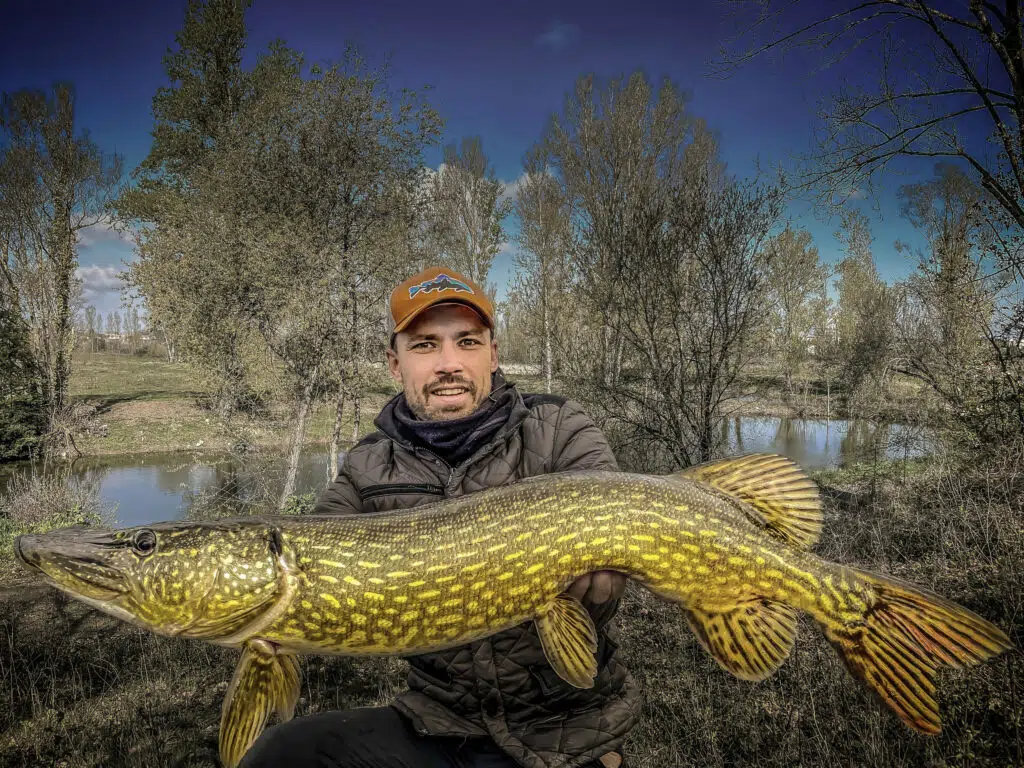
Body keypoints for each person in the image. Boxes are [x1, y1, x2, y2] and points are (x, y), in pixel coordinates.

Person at [241, 266, 639, 768]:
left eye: (467, 342)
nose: (449, 363)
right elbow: (315, 556)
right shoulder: (367, 466)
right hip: (438, 729)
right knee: (282, 755)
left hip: (566, 734)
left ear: (493, 354)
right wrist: (269, 617)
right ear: (395, 362)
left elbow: (611, 516)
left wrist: (596, 587)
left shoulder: (559, 428)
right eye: (425, 345)